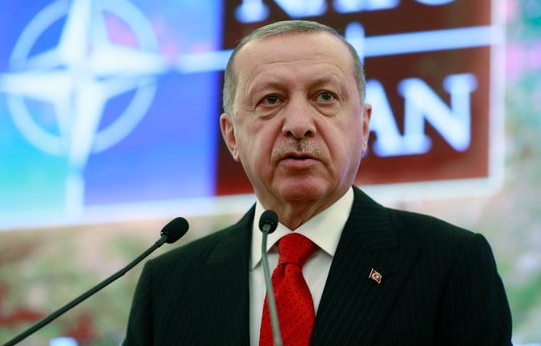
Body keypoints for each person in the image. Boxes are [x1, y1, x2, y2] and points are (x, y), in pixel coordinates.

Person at [123, 20, 512, 345]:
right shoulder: (168, 286)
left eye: (325, 96)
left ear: (363, 127)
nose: (298, 124)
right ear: (232, 136)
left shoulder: (449, 263)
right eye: (271, 99)